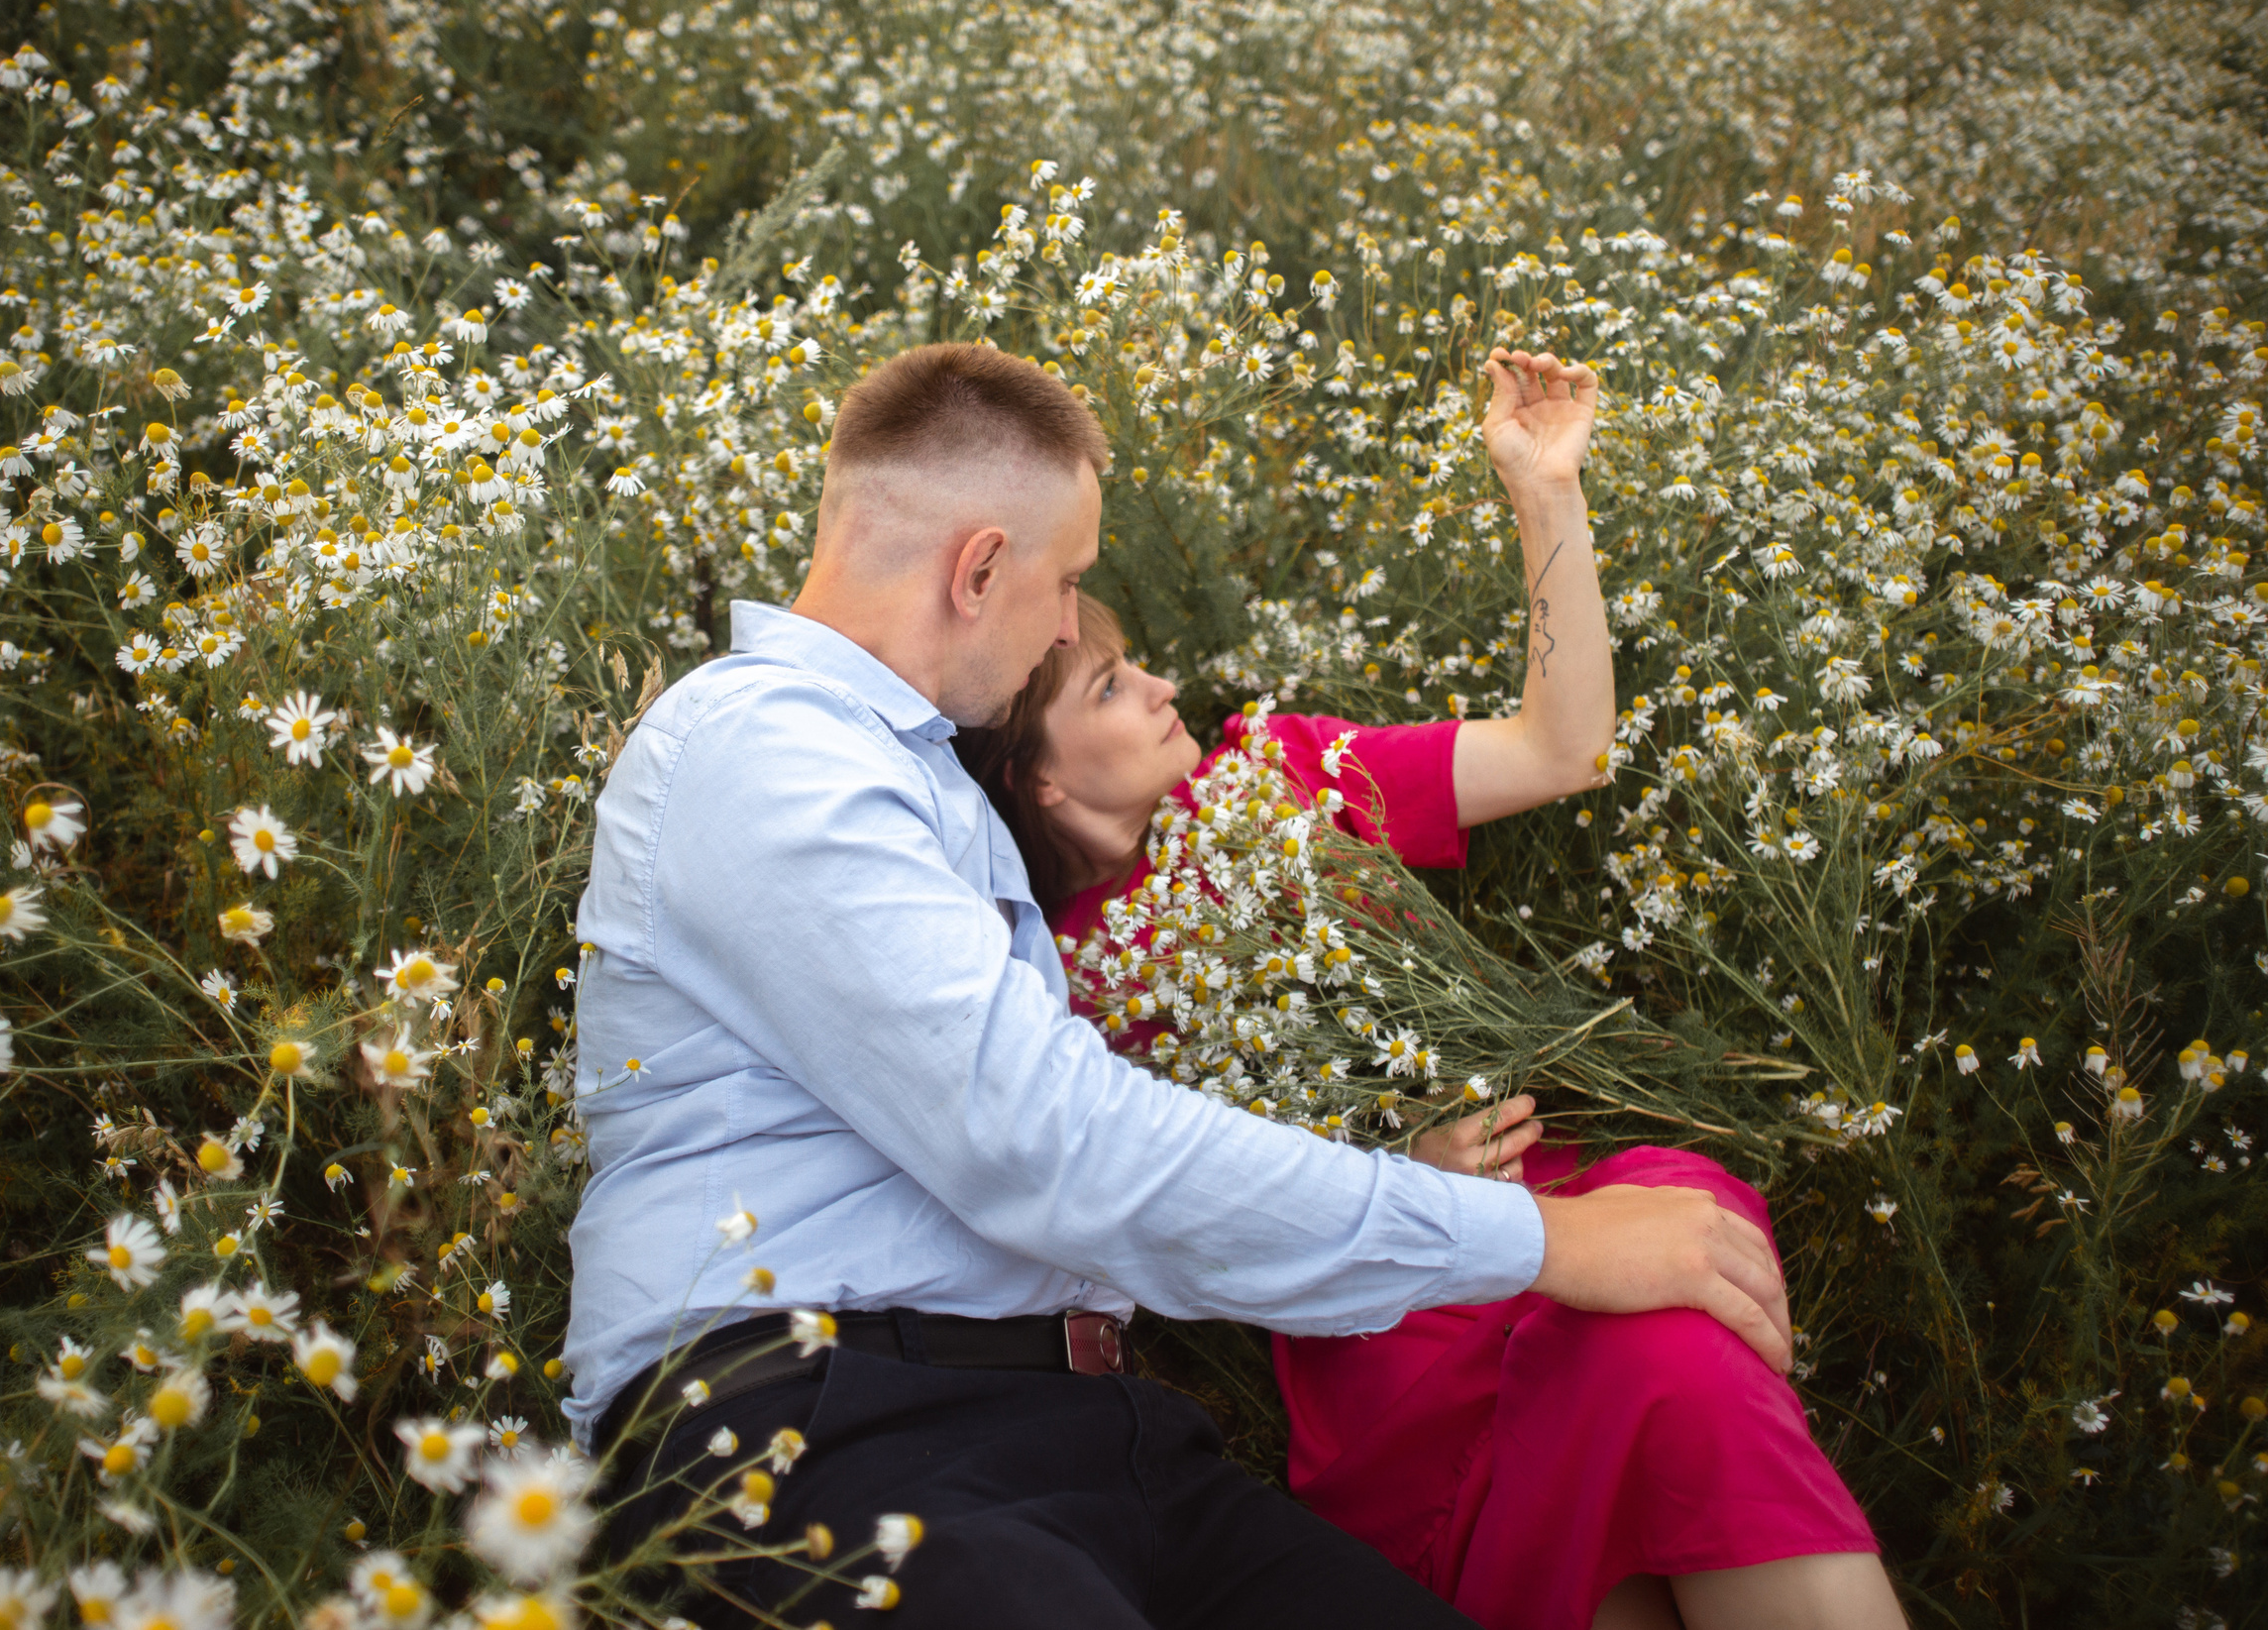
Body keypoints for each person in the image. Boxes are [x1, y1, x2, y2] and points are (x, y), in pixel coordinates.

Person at [564, 339, 1800, 1630]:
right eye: (1070, 586)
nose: (1069, 625)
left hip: (1092, 1434)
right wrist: (1548, 1239)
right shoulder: (763, 744)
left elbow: (1562, 746)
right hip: (822, 1421)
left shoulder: (939, 793)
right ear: (980, 566)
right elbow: (1046, 1139)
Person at [954, 407, 1904, 1626]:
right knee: (1606, 1491)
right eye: (1112, 683)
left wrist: (1543, 490)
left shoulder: (1275, 776)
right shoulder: (1057, 985)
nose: (1164, 684)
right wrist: (1383, 1164)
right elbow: (1147, 1227)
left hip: (1558, 1211)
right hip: (1392, 1333)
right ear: (1038, 776)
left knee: (1671, 1364)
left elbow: (1564, 748)